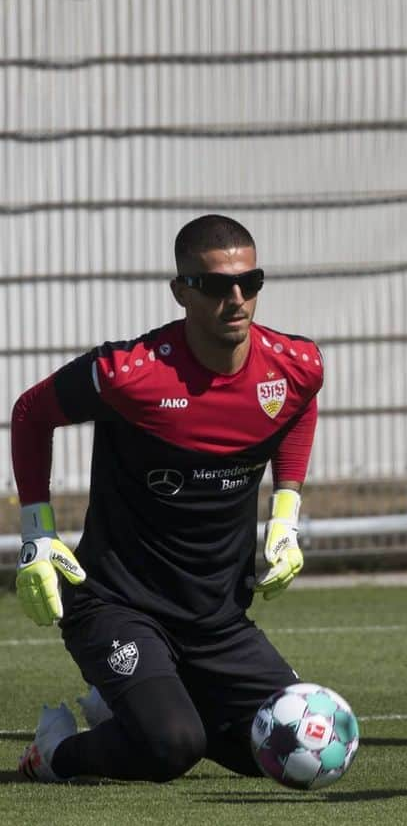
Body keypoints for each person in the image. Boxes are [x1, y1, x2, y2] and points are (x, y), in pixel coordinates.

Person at [12, 214, 323, 783]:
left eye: (249, 283)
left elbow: (300, 407)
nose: (236, 299)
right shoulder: (129, 375)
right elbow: (31, 413)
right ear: (181, 290)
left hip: (218, 618)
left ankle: (135, 701)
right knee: (172, 746)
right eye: (214, 286)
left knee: (282, 748)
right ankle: (54, 754)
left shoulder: (295, 366)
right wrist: (38, 531)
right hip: (116, 604)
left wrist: (286, 513)